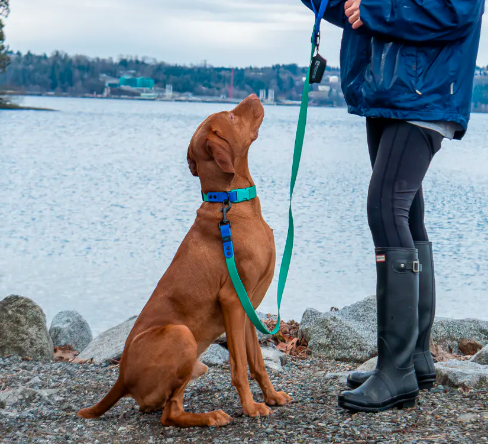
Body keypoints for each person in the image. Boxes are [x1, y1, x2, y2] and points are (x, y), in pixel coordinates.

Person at [301, 0, 485, 412]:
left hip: (426, 90)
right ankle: (414, 360)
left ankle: (396, 371)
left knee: (386, 209)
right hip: (388, 89)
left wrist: (376, 9)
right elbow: (348, 8)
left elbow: (457, 11)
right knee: (406, 214)